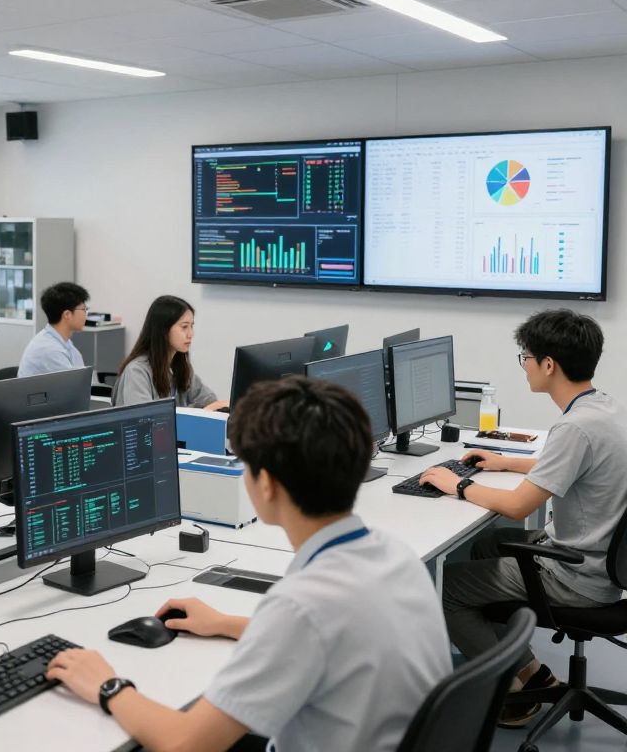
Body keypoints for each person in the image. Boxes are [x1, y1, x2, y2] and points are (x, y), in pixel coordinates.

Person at [46, 376, 452, 752]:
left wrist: (107, 685)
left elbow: (185, 744)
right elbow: (333, 637)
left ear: (266, 483)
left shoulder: (303, 605)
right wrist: (225, 623)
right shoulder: (393, 554)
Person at [420, 308, 627, 727]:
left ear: (549, 365)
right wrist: (505, 463)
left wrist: (456, 484)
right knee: (484, 546)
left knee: (441, 590)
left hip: (577, 576)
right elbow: (575, 464)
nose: (525, 366)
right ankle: (532, 671)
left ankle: (510, 692)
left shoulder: (575, 428)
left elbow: (518, 508)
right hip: (603, 563)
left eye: (526, 358)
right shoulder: (603, 408)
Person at [112, 295, 227, 410]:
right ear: (164, 330)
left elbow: (209, 400)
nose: (191, 334)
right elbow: (145, 421)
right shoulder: (137, 372)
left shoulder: (180, 366)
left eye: (191, 326)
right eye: (184, 327)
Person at [17, 282, 88, 377]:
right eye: (84, 309)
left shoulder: (62, 341)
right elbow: (74, 386)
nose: (86, 314)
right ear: (67, 315)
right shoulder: (50, 350)